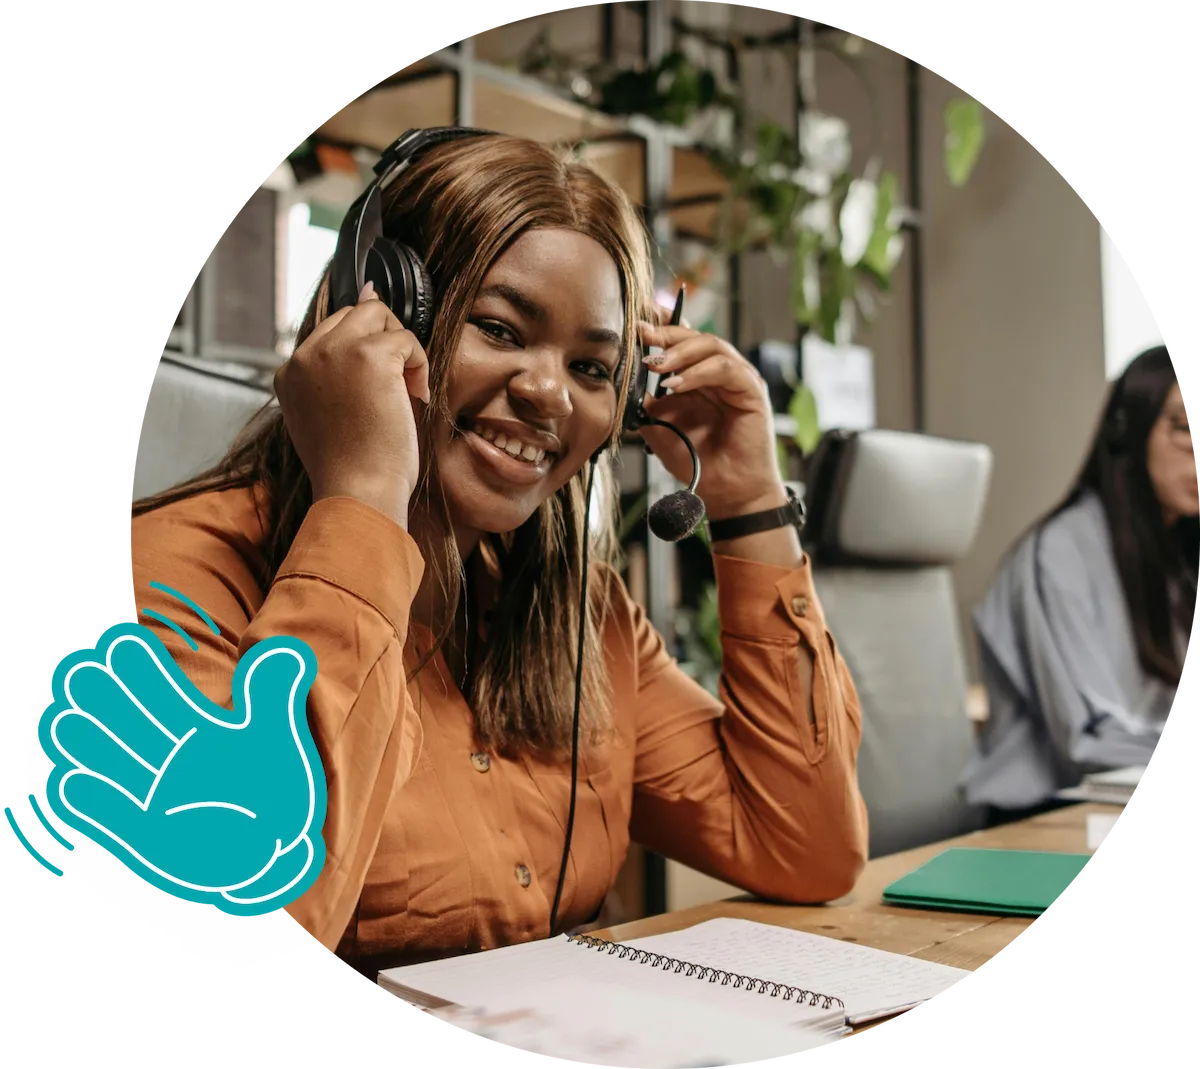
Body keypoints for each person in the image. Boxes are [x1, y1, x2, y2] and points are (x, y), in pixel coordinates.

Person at [127, 131, 869, 980]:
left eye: (593, 365)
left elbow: (808, 849)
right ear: (374, 316)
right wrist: (365, 498)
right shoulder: (178, 572)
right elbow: (240, 927)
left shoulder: (586, 616)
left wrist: (748, 501)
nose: (550, 391)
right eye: (499, 327)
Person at [962, 344, 1196, 826]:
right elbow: (1088, 740)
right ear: (1127, 431)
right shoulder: (1059, 553)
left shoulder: (1174, 558)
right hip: (1039, 820)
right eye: (1183, 426)